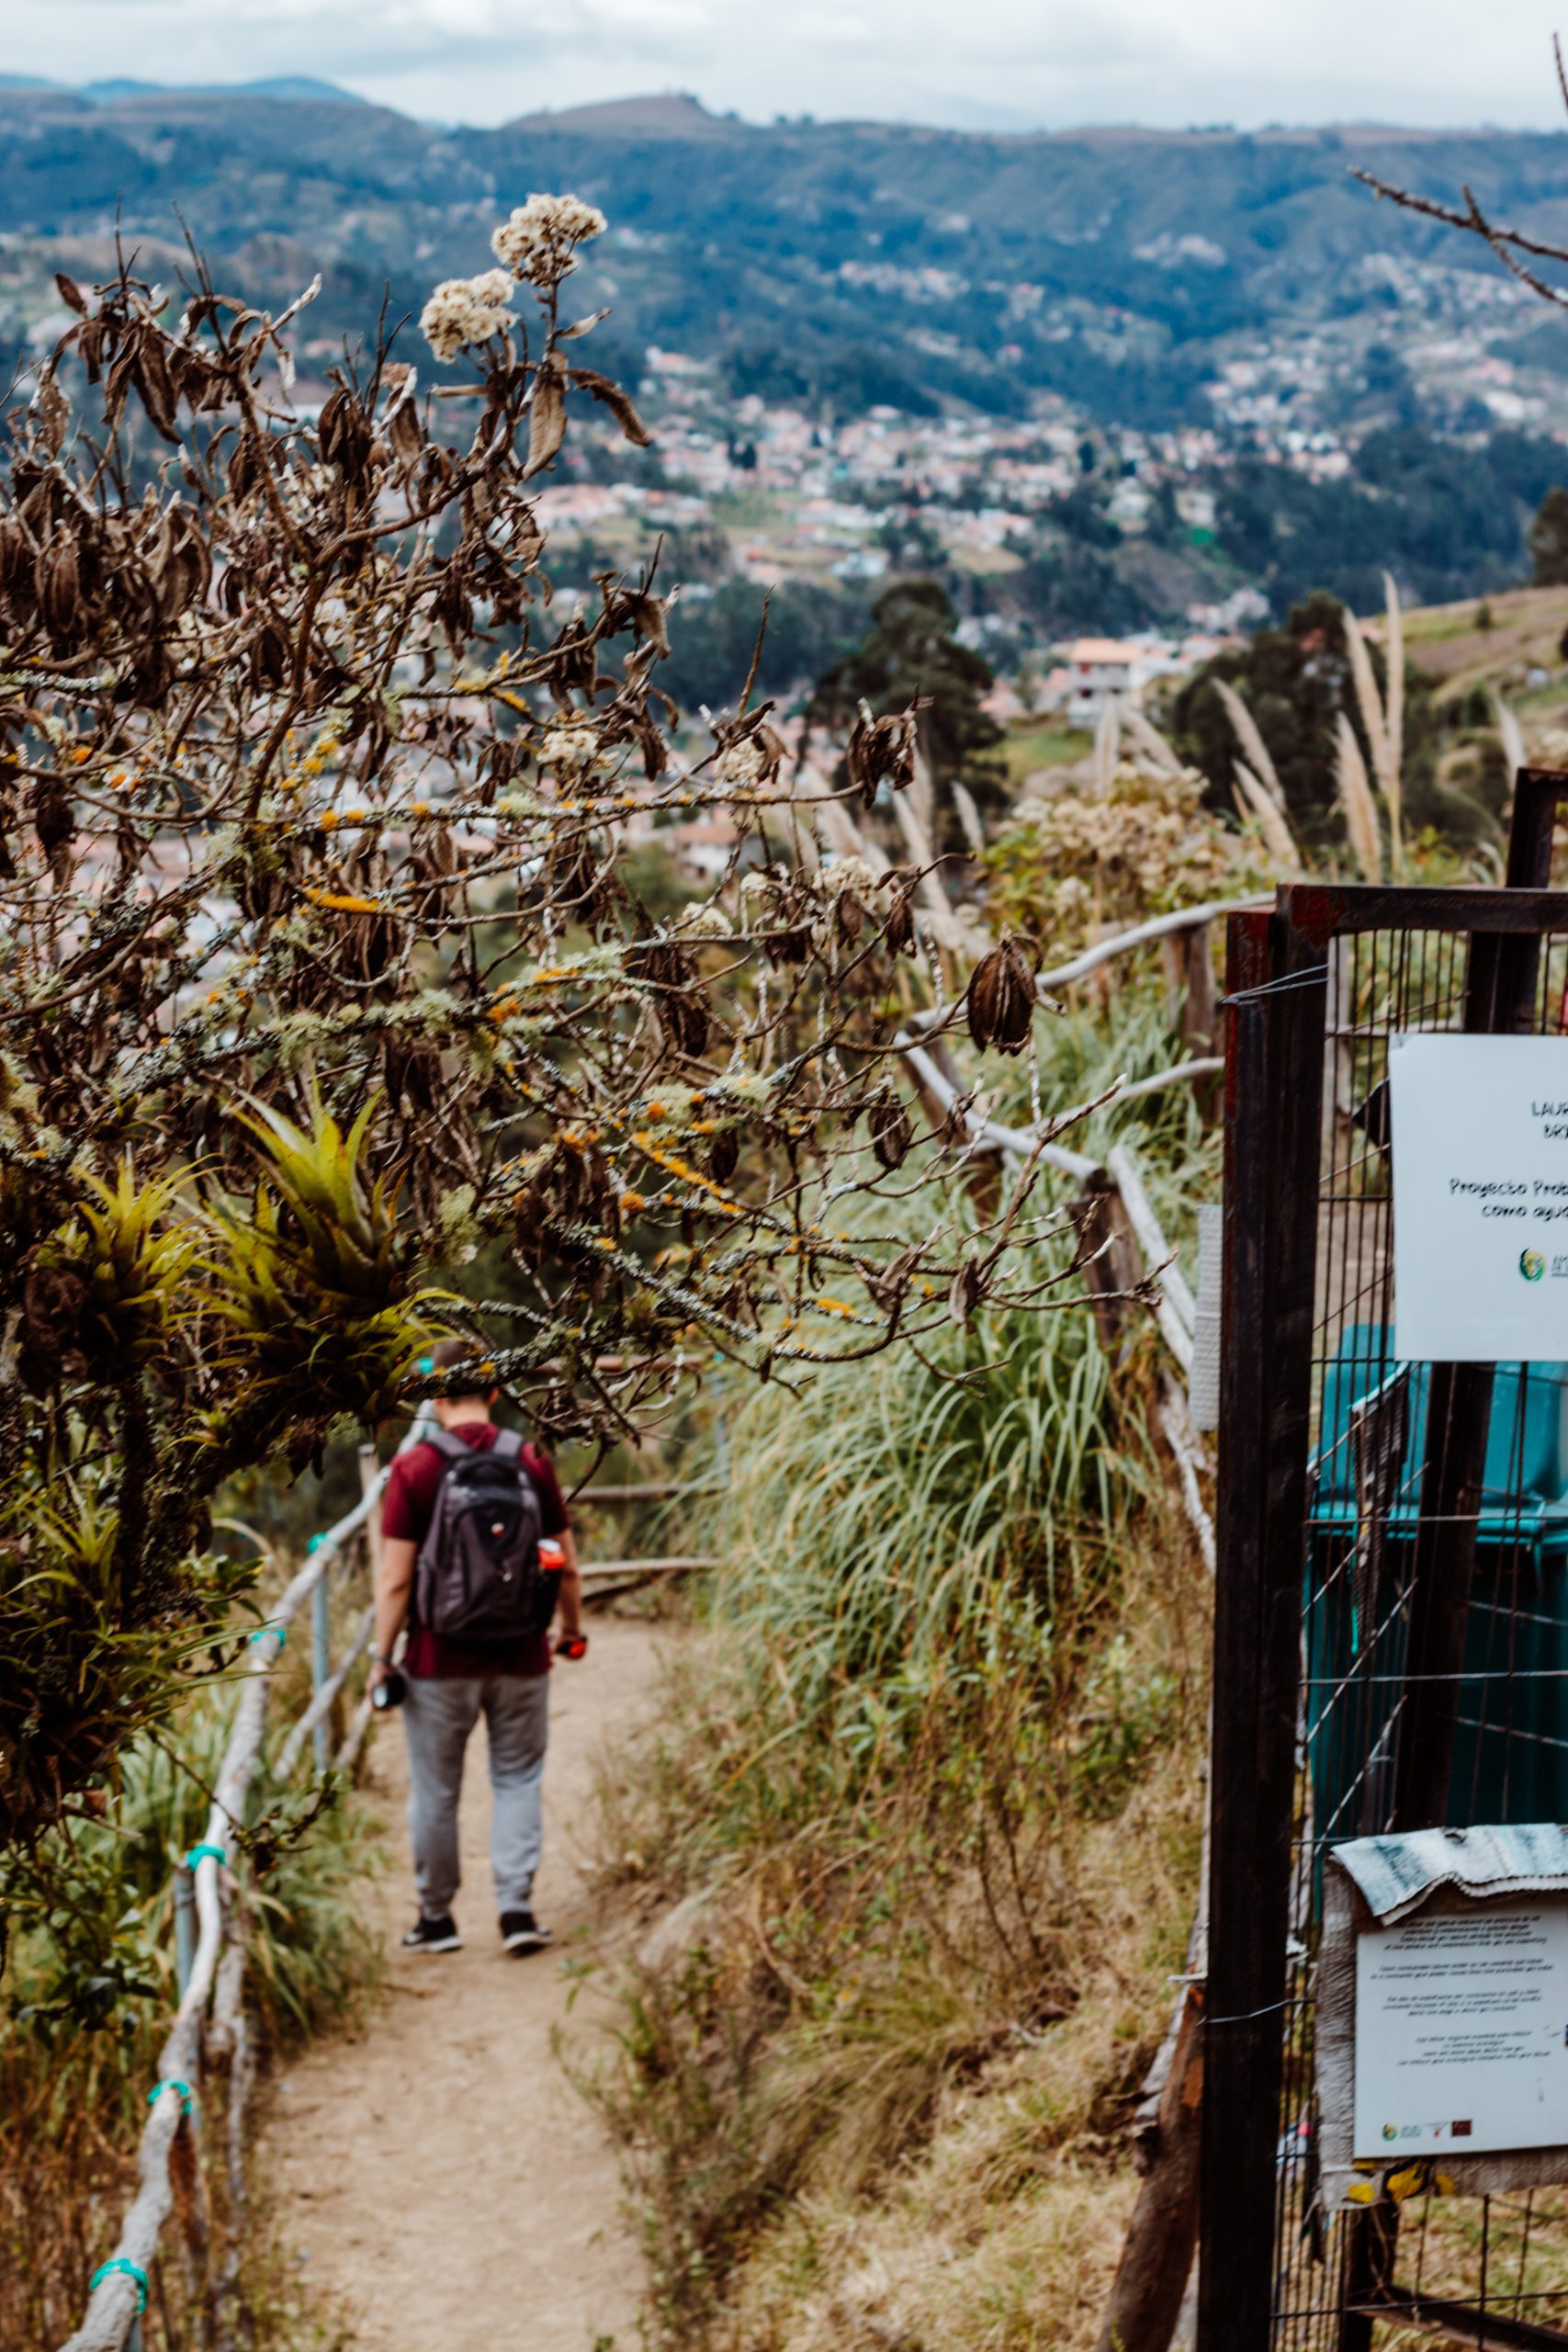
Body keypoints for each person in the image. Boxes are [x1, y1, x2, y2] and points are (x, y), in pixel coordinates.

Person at [369, 1339, 586, 1956]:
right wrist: (569, 1632)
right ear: (495, 1390)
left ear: (431, 1394)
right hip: (523, 1655)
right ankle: (516, 1912)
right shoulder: (531, 1460)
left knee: (435, 1791)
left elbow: (394, 1580)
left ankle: (436, 1921)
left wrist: (382, 1658)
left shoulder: (414, 1470)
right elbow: (562, 1564)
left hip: (437, 1661)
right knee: (517, 1778)